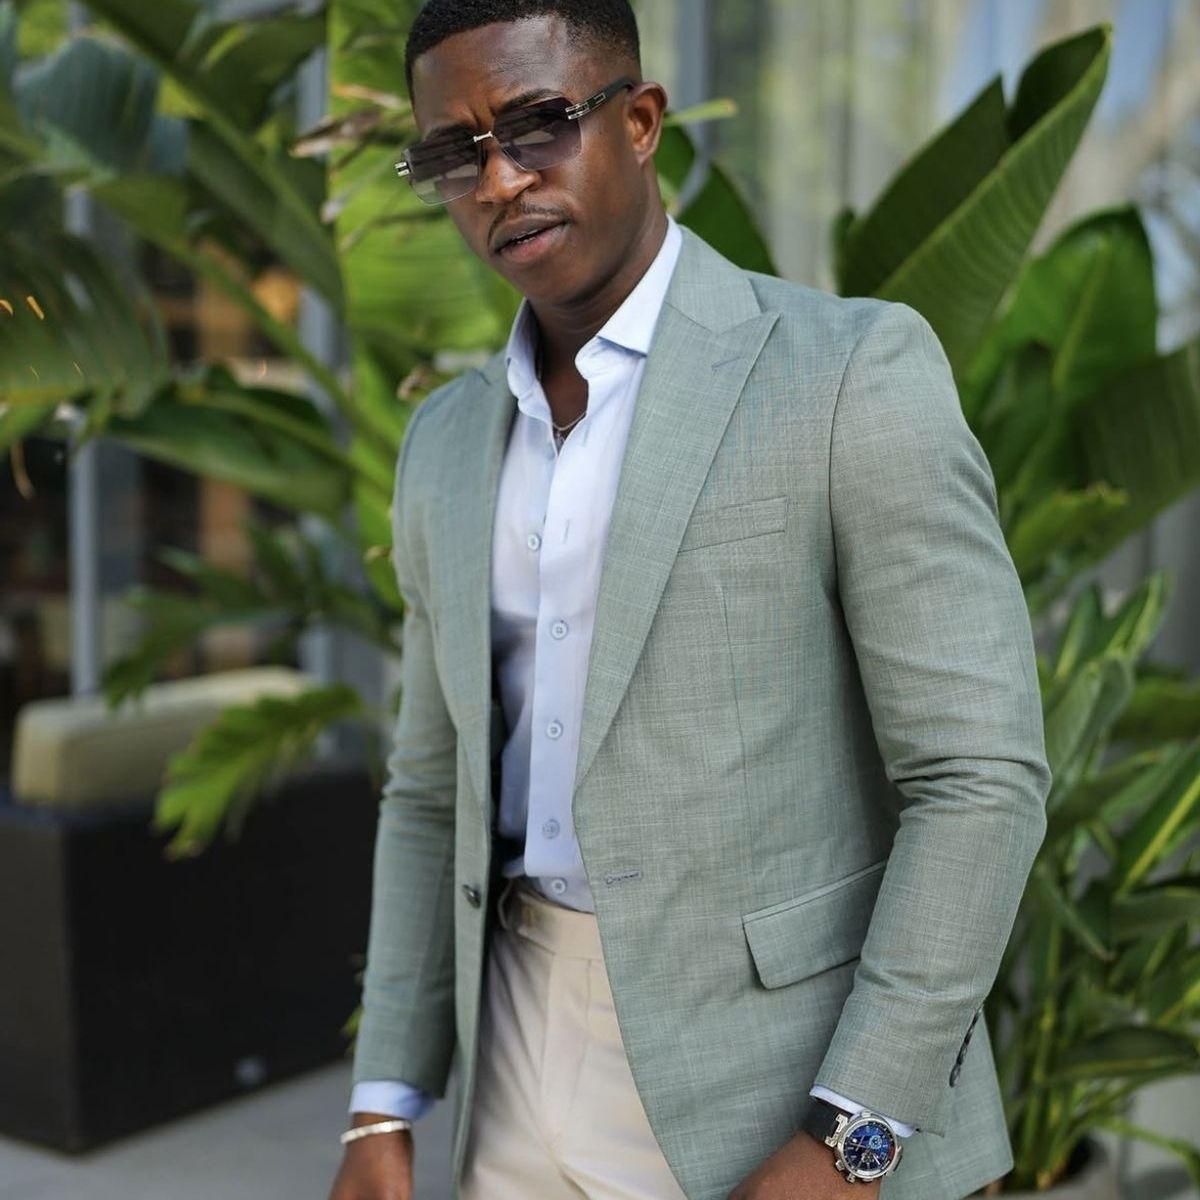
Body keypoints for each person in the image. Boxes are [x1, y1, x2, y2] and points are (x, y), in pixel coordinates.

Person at [327, 2, 1051, 1198]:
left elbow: (979, 778)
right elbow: (430, 788)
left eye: (539, 124)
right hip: (512, 1055)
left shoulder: (846, 374)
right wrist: (382, 1104)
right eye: (457, 152)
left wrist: (854, 1132)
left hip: (775, 1080)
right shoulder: (445, 442)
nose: (500, 180)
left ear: (642, 121)